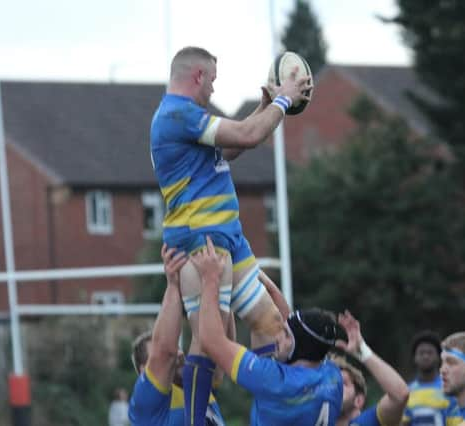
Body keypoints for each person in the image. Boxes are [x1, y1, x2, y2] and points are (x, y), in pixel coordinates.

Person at [150, 46, 312, 425]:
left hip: (227, 238)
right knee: (209, 341)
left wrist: (265, 107)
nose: (213, 90)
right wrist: (285, 98)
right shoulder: (178, 114)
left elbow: (234, 145)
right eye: (213, 81)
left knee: (273, 326)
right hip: (200, 239)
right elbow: (248, 136)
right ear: (198, 77)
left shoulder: (187, 117)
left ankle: (272, 418)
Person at [193, 236, 347, 426]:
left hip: (280, 388)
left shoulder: (273, 379)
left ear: (296, 345)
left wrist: (210, 280)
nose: (277, 335)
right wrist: (271, 290)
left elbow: (211, 341)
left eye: (284, 334)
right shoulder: (332, 374)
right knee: (266, 327)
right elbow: (300, 335)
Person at [128, 244, 225, 426]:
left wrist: (217, 284)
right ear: (143, 372)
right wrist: (173, 284)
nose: (180, 353)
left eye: (180, 348)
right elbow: (166, 352)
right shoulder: (145, 402)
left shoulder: (197, 383)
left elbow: (215, 340)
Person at [332, 311, 410, 426]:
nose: (336, 387)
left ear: (358, 400)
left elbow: (400, 395)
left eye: (344, 383)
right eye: (332, 382)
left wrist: (362, 351)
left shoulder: (367, 422)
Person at [403, 330, 461, 425]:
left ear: (439, 357)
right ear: (414, 358)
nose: (425, 356)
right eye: (421, 353)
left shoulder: (450, 390)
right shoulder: (406, 392)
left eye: (430, 353)